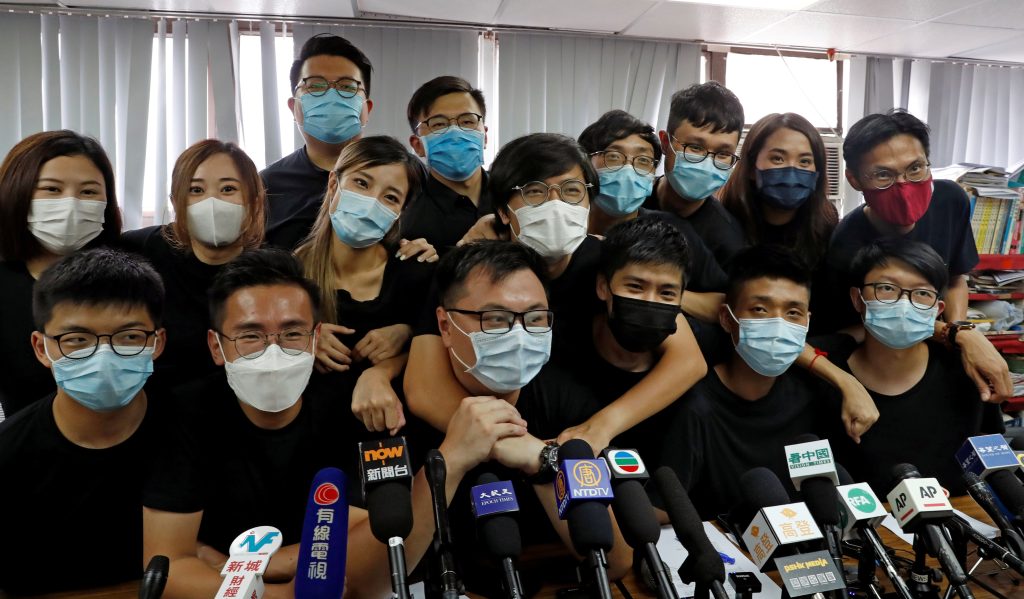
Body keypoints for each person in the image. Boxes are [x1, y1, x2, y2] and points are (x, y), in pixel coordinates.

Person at [142, 248, 529, 599]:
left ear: (315, 339)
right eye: (251, 335)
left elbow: (369, 558)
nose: (273, 350)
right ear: (217, 346)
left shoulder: (351, 405)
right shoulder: (187, 411)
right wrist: (287, 595)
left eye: (292, 333)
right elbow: (168, 569)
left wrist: (245, 565)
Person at [407, 133, 708, 454]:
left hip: (588, 423)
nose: (556, 205)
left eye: (572, 191)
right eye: (535, 192)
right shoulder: (470, 271)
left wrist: (602, 426)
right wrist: (513, 448)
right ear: (504, 211)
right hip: (501, 426)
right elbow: (423, 388)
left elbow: (687, 360)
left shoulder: (606, 263)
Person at [417, 240, 630, 593]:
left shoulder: (568, 403)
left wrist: (541, 462)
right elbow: (372, 572)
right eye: (495, 319)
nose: (518, 336)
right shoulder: (395, 412)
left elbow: (616, 561)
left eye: (534, 319)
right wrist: (451, 460)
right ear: (445, 325)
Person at [0, 248, 166, 594]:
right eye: (77, 340)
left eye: (129, 337)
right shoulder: (9, 453)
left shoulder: (195, 434)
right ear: (42, 348)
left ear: (157, 342)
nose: (103, 356)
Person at [819, 109, 1011, 403]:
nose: (904, 186)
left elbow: (955, 278)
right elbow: (865, 325)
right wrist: (955, 335)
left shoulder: (950, 200)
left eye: (915, 168)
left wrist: (961, 332)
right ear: (854, 180)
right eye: (883, 175)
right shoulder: (846, 244)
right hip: (881, 365)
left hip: (936, 351)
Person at [660, 245, 829, 519]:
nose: (778, 325)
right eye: (760, 309)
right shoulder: (695, 408)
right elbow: (664, 509)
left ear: (807, 322)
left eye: (793, 313)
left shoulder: (812, 396)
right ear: (727, 319)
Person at [824, 239, 1004, 496]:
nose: (904, 304)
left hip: (956, 516)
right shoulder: (828, 371)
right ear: (858, 299)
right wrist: (845, 382)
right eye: (887, 288)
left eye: (922, 293)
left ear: (937, 309)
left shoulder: (965, 369)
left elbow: (990, 456)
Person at [296, 136, 433, 438]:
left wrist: (403, 345)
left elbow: (444, 355)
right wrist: (300, 339)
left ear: (400, 212)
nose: (371, 203)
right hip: (312, 440)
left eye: (390, 197)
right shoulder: (288, 275)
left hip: (394, 439)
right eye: (361, 183)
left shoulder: (416, 272)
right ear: (334, 184)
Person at [122, 139, 265, 389]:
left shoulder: (270, 271)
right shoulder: (138, 249)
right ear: (176, 202)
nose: (212, 202)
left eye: (228, 189)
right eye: (196, 190)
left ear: (253, 201)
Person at [0, 130, 123, 419]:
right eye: (52, 190)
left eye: (88, 192)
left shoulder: (133, 269)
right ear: (17, 193)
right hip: (29, 439)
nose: (71, 205)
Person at [578, 109, 727, 322]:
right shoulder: (563, 230)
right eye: (614, 157)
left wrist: (664, 294)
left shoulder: (670, 231)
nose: (628, 170)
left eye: (643, 161)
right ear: (585, 165)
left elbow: (722, 304)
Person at [261, 34, 373, 249]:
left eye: (347, 87)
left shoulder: (402, 176)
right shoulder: (266, 186)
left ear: (366, 109)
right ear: (294, 107)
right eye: (314, 86)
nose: (331, 95)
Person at [643, 82, 747, 267]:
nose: (707, 163)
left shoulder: (727, 241)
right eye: (695, 147)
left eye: (723, 153)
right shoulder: (632, 202)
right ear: (665, 143)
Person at [719, 112, 837, 270]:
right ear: (751, 168)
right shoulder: (723, 224)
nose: (791, 171)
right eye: (777, 158)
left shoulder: (828, 225)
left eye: (804, 161)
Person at [401, 75, 491, 252]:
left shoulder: (513, 197)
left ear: (485, 136)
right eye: (439, 124)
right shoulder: (406, 221)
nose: (455, 133)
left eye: (467, 121)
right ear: (418, 145)